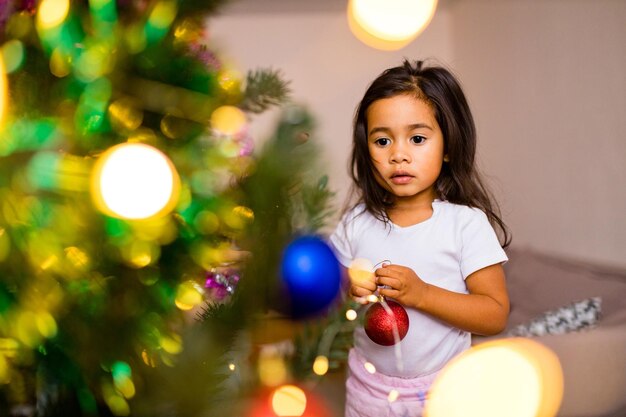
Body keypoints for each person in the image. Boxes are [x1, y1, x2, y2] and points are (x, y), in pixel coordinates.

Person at [329, 59, 511, 417]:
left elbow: (494, 314)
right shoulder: (355, 223)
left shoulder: (465, 224)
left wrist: (422, 294)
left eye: (417, 138)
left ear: (447, 147)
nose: (398, 154)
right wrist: (347, 288)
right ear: (367, 150)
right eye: (382, 140)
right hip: (368, 389)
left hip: (445, 390)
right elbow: (329, 299)